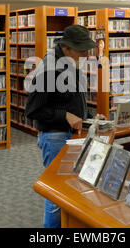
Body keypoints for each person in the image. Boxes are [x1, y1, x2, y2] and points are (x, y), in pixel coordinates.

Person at [25, 24, 98, 228]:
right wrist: (64, 115)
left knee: (69, 190)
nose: (86, 53)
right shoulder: (48, 70)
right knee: (56, 195)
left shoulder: (69, 62)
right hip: (55, 137)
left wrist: (88, 116)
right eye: (82, 49)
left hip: (73, 134)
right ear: (66, 48)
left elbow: (72, 98)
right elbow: (32, 110)